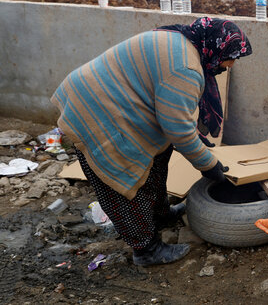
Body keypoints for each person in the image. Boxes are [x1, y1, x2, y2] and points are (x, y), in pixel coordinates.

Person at [52, 17, 252, 266]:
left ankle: (160, 214)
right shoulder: (186, 69)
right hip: (95, 113)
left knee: (158, 155)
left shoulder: (184, 41)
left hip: (111, 101)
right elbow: (178, 130)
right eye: (230, 56)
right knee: (128, 178)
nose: (231, 64)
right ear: (215, 46)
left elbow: (175, 120)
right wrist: (208, 165)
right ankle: (147, 249)